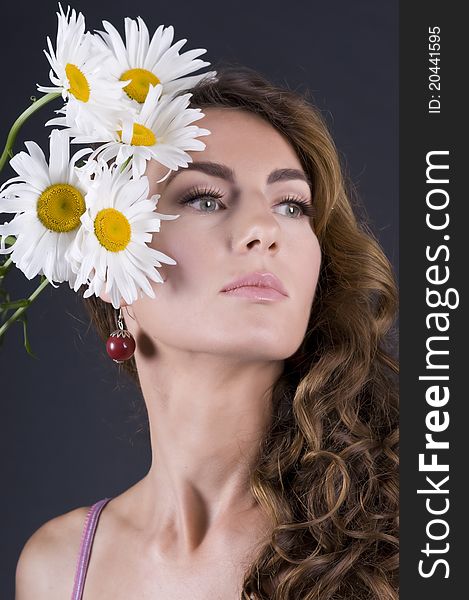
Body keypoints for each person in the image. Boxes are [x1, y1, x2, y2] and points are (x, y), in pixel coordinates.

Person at [15, 66, 399, 600]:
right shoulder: (56, 568)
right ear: (106, 261)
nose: (263, 229)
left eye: (292, 206)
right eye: (204, 198)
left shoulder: (410, 530)